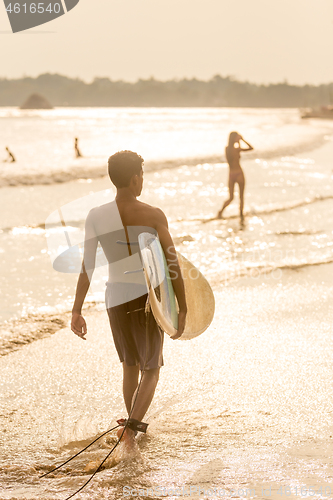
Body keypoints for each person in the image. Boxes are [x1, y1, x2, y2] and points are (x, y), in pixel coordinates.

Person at [71, 151, 187, 448]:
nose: (142, 182)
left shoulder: (96, 215)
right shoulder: (153, 214)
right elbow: (172, 264)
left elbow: (87, 265)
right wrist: (183, 308)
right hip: (145, 297)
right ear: (136, 178)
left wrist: (76, 310)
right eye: (142, 176)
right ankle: (131, 430)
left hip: (114, 297)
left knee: (130, 365)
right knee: (152, 368)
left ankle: (131, 433)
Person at [217, 132, 253, 221]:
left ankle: (220, 212)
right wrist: (242, 140)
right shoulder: (236, 149)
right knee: (241, 197)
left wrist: (239, 141)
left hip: (231, 174)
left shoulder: (227, 149)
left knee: (231, 197)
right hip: (239, 173)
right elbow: (251, 148)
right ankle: (241, 215)